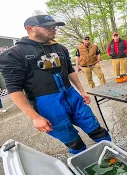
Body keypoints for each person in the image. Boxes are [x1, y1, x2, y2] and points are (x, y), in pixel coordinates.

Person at [0, 15, 111, 155]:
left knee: (97, 130)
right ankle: (83, 162)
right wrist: (35, 117)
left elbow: (70, 71)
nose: (53, 28)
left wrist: (82, 91)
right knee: (73, 142)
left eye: (54, 25)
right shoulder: (14, 54)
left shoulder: (59, 48)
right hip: (48, 106)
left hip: (73, 97)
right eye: (48, 26)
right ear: (30, 29)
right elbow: (14, 89)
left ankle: (113, 153)